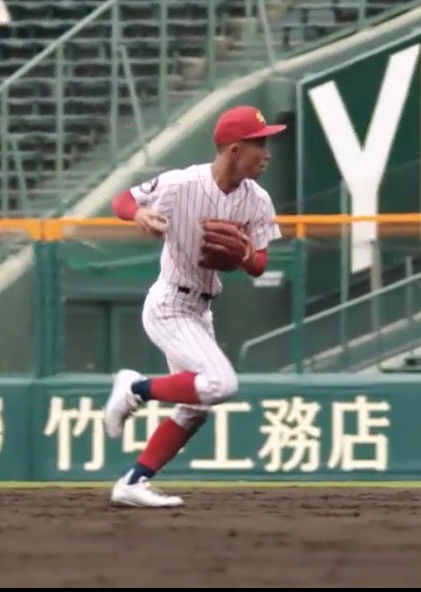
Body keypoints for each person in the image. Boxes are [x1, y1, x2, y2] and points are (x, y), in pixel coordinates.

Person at [102, 105, 285, 508]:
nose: (267, 152)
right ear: (234, 150)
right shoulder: (181, 184)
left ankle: (132, 483)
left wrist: (243, 255)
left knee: (194, 408)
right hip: (169, 302)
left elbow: (260, 266)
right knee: (221, 384)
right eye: (260, 143)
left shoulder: (257, 200)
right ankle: (135, 388)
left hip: (201, 310)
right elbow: (121, 200)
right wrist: (140, 213)